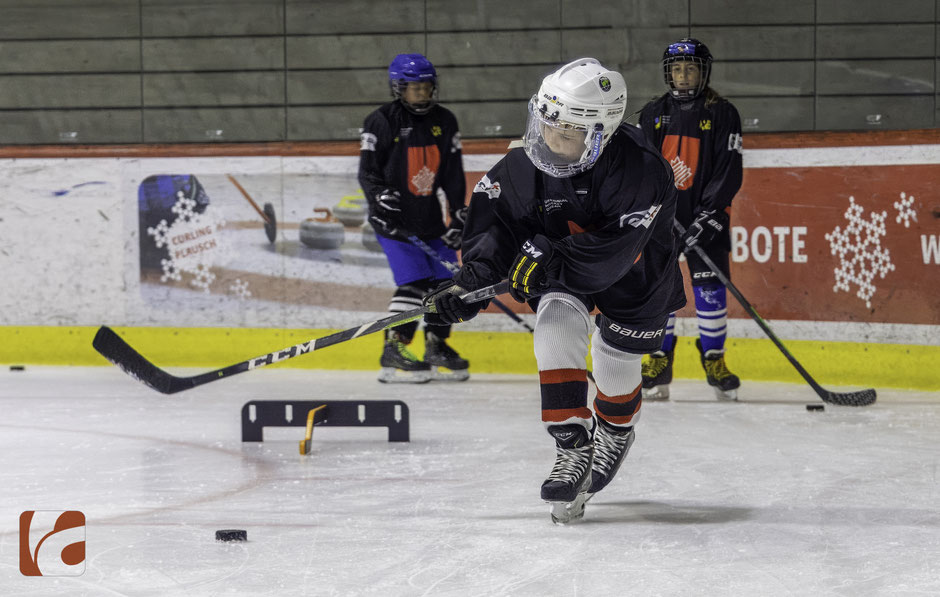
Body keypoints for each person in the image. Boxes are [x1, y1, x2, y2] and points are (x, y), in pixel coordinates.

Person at [422, 58, 685, 523]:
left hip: (637, 276)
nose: (548, 139)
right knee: (554, 321)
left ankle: (616, 433)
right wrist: (470, 286)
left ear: (599, 134)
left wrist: (550, 257)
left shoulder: (643, 170)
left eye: (565, 132)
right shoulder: (528, 160)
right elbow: (495, 224)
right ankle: (572, 444)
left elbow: (617, 252)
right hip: (562, 267)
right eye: (545, 124)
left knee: (614, 362)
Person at [637, 38, 743, 401]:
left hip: (707, 218)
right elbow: (645, 170)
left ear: (703, 71)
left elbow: (729, 170)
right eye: (677, 69)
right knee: (661, 291)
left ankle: (714, 359)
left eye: (691, 68)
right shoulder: (652, 112)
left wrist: (710, 215)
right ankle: (658, 359)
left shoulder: (722, 112)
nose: (683, 75)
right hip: (664, 222)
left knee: (710, 292)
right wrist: (657, 210)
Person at [358, 53, 470, 383]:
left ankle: (436, 345)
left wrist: (458, 217)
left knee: (449, 284)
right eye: (414, 88)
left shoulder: (445, 120)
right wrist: (379, 198)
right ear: (399, 88)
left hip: (430, 220)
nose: (421, 94)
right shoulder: (380, 120)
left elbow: (452, 173)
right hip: (393, 223)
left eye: (426, 87)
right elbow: (367, 172)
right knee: (414, 282)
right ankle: (395, 346)